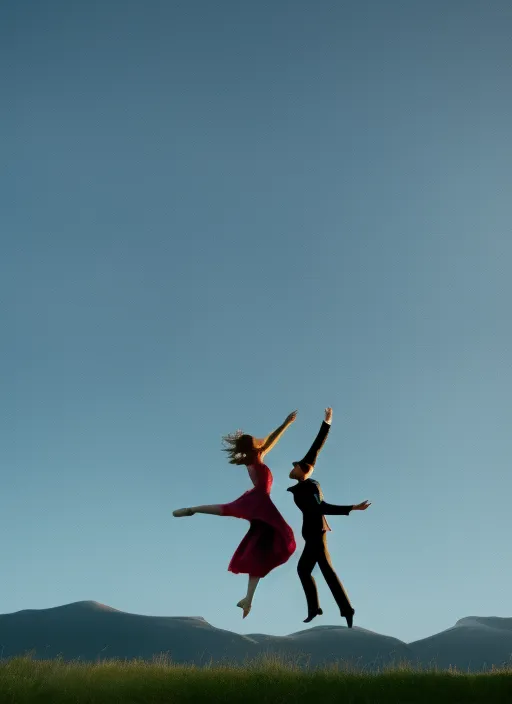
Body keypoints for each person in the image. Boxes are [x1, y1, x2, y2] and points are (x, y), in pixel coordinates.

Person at [173, 410, 297, 618]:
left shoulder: (252, 458)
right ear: (254, 446)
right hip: (260, 500)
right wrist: (286, 423)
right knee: (282, 535)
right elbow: (271, 439)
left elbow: (267, 440)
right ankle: (192, 510)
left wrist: (285, 423)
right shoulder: (257, 457)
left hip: (259, 504)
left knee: (256, 548)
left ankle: (248, 600)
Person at [287, 408, 371, 627]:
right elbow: (317, 445)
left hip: (316, 535)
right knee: (308, 571)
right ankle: (321, 609)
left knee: (321, 571)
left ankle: (343, 609)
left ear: (302, 469)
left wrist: (352, 507)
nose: (292, 467)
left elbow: (321, 507)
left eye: (294, 466)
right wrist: (327, 422)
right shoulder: (302, 484)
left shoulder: (311, 486)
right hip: (311, 536)